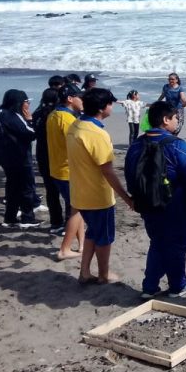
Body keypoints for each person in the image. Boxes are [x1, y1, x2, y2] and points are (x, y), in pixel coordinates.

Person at [126, 101, 186, 298]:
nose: (177, 121)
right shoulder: (177, 145)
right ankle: (178, 285)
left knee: (158, 241)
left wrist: (134, 197)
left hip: (146, 201)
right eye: (175, 118)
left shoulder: (136, 144)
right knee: (177, 244)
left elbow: (130, 173)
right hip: (176, 202)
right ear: (165, 119)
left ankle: (150, 286)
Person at [66, 88, 132, 284]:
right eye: (110, 104)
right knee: (104, 237)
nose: (112, 107)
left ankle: (84, 271)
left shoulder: (75, 125)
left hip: (79, 191)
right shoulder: (97, 134)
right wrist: (126, 197)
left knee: (93, 232)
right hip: (97, 195)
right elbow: (108, 170)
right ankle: (103, 274)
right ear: (103, 108)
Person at [47, 83, 86, 259]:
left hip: (57, 168)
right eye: (79, 97)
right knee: (77, 210)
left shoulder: (53, 115)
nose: (82, 100)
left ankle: (82, 245)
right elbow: (78, 146)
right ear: (70, 99)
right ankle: (65, 248)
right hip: (68, 170)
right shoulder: (68, 120)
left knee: (75, 208)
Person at [0, 89, 41, 229]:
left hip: (6, 157)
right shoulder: (13, 116)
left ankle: (10, 218)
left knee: (12, 188)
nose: (28, 105)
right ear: (19, 103)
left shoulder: (2, 113)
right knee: (25, 188)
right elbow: (30, 134)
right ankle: (27, 218)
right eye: (26, 102)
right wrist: (30, 121)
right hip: (18, 158)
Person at [32, 87, 64, 233]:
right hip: (57, 154)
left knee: (51, 191)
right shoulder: (56, 115)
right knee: (67, 191)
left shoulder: (37, 114)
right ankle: (68, 224)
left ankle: (55, 222)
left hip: (42, 155)